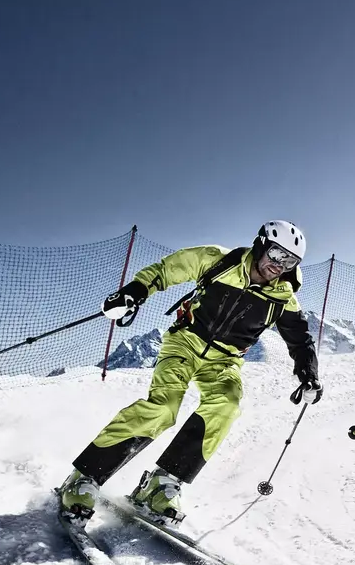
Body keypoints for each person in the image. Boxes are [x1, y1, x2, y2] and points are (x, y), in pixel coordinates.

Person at [56, 220, 321, 525]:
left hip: (225, 361)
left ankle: (161, 485)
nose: (280, 265)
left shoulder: (284, 297)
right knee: (163, 408)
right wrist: (135, 291)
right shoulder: (217, 260)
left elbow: (300, 339)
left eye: (290, 261)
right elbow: (167, 269)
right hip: (184, 343)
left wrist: (309, 373)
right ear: (261, 244)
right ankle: (83, 478)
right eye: (276, 254)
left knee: (226, 404)